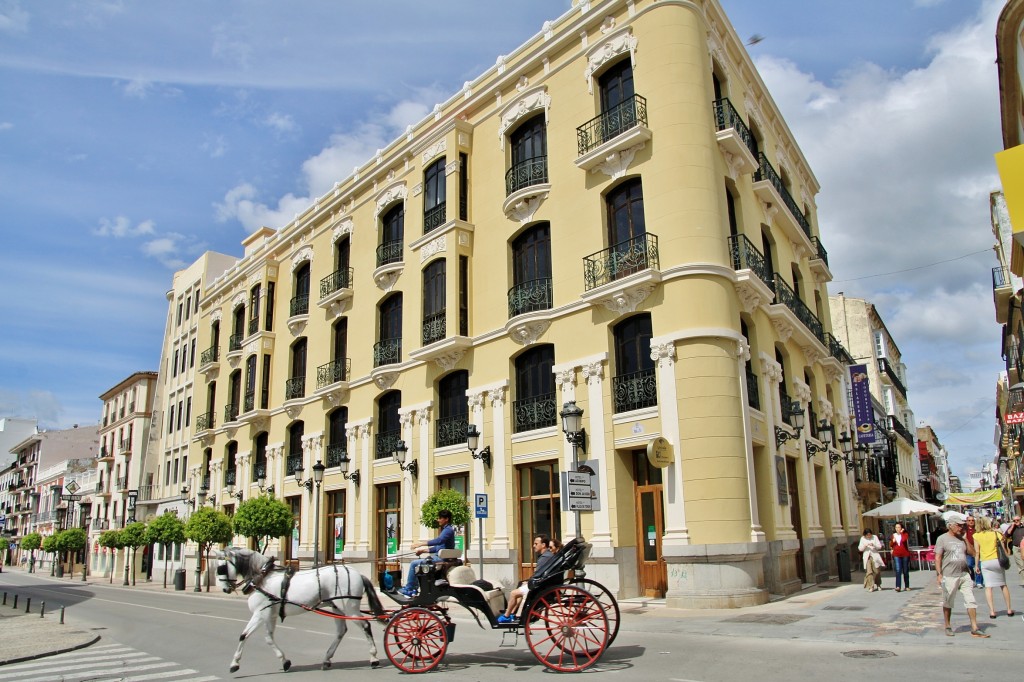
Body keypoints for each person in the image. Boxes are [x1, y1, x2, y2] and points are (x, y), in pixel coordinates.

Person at [935, 511, 988, 637]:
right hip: (949, 575)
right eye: (958, 525)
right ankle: (948, 625)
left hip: (964, 574)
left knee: (971, 600)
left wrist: (965, 540)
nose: (961, 527)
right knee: (948, 601)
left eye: (962, 525)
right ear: (950, 526)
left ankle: (974, 627)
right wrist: (939, 574)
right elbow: (938, 557)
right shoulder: (942, 539)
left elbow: (973, 553)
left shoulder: (962, 538)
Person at [497, 535, 553, 624]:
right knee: (520, 588)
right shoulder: (548, 555)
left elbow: (538, 573)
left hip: (539, 585)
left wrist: (530, 581)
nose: (534, 546)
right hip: (542, 583)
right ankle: (512, 613)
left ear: (543, 545)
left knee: (513, 593)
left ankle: (506, 616)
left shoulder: (545, 557)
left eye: (536, 544)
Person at [399, 509, 455, 596]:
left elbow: (439, 541)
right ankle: (414, 588)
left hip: (440, 559)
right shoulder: (446, 530)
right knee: (418, 563)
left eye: (440, 518)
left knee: (414, 564)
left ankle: (410, 588)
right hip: (439, 557)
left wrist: (420, 544)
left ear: (446, 519)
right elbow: (438, 547)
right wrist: (423, 550)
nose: (438, 520)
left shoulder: (448, 530)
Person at [973, 516, 1014, 618]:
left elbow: (977, 552)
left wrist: (976, 565)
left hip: (985, 562)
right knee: (1003, 585)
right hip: (997, 560)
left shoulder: (976, 535)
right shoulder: (996, 534)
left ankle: (992, 611)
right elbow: (1003, 548)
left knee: (988, 587)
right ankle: (1009, 609)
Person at [1002, 515, 1024, 586]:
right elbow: (1006, 535)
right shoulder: (1012, 527)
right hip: (1016, 548)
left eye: (1017, 520)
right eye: (1014, 520)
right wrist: (1012, 527)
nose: (1016, 522)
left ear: (1020, 520)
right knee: (1021, 565)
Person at [890, 522, 912, 592]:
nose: (897, 529)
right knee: (898, 570)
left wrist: (902, 533)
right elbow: (891, 545)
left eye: (899, 527)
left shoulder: (905, 534)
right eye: (896, 527)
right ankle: (898, 586)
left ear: (902, 528)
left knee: (905, 570)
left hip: (905, 554)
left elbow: (904, 540)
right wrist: (892, 542)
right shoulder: (893, 535)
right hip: (896, 554)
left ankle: (907, 586)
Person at [965, 515, 983, 588]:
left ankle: (979, 582)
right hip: (969, 551)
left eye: (972, 520)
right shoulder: (964, 530)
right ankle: (972, 579)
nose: (971, 522)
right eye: (969, 520)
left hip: (978, 550)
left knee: (978, 566)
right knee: (969, 565)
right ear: (967, 521)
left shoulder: (977, 529)